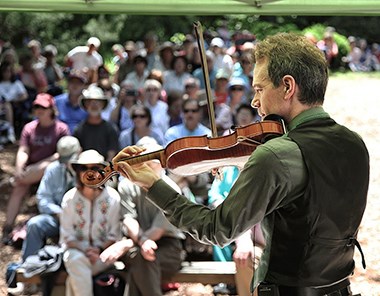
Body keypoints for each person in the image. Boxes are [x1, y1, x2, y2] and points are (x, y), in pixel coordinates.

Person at [112, 33, 369, 296]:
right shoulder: (355, 145)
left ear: (288, 87)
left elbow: (215, 229)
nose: (255, 101)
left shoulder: (275, 155)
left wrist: (154, 184)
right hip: (339, 288)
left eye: (259, 89)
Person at [100, 137, 184, 296]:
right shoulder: (127, 185)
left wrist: (129, 243)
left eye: (154, 161)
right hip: (139, 244)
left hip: (168, 247)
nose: (151, 166)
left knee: (140, 260)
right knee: (141, 259)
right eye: (146, 162)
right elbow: (129, 219)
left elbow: (158, 230)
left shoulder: (171, 190)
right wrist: (141, 241)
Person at [2, 93, 70, 244]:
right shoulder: (29, 128)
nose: (39, 110)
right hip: (30, 172)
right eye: (36, 107)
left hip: (52, 169)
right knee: (19, 186)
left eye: (43, 107)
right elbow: (23, 150)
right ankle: (7, 227)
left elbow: (61, 154)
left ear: (51, 109)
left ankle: (15, 180)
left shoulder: (61, 128)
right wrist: (20, 169)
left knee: (46, 167)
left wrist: (37, 166)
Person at [60, 149, 121, 296]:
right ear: (77, 172)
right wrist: (86, 249)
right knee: (76, 260)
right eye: (83, 168)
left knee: (75, 275)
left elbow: (115, 234)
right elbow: (67, 236)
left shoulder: (113, 198)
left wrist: (98, 250)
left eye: (94, 168)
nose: (89, 172)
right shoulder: (69, 199)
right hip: (75, 252)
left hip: (104, 255)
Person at [21, 136, 81, 262]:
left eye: (70, 159)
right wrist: (58, 212)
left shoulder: (88, 170)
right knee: (34, 224)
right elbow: (42, 197)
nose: (67, 163)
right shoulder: (53, 169)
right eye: (64, 160)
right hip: (57, 218)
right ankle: (28, 268)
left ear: (79, 152)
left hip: (81, 221)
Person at [73, 85, 119, 161]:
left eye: (98, 101)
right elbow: (77, 153)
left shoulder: (111, 129)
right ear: (86, 105)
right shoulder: (79, 129)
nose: (94, 104)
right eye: (90, 102)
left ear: (103, 104)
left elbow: (111, 154)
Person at [55, 70, 88, 134]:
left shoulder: (88, 104)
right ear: (67, 84)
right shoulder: (56, 101)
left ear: (84, 86)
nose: (75, 85)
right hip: (59, 139)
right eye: (72, 82)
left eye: (78, 83)